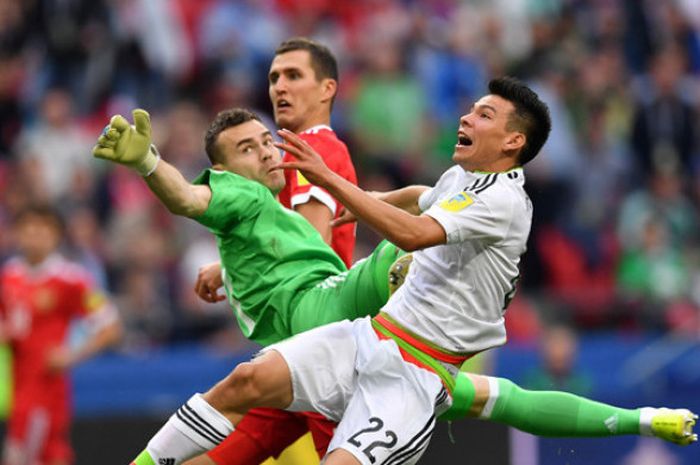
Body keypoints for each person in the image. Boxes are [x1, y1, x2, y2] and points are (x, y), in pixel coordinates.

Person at [97, 77, 696, 465]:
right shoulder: (464, 179)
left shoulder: (504, 201)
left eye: (484, 114)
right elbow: (416, 199)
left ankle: (640, 420)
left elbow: (408, 232)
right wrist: (231, 270)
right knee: (243, 384)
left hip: (418, 371)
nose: (467, 116)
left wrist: (331, 181)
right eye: (470, 107)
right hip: (372, 335)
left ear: (513, 141)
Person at [192, 38, 360, 464]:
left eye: (293, 76)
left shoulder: (315, 148)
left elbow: (312, 247)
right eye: (273, 78)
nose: (279, 87)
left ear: (328, 89)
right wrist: (227, 270)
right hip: (300, 346)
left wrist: (231, 274)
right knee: (226, 453)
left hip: (321, 346)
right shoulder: (297, 153)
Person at [0, 205, 122, 465]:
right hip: (16, 386)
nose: (34, 234)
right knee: (52, 455)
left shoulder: (70, 279)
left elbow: (110, 327)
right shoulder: (9, 276)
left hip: (46, 388)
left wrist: (72, 355)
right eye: (28, 228)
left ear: (56, 235)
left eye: (42, 228)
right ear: (17, 233)